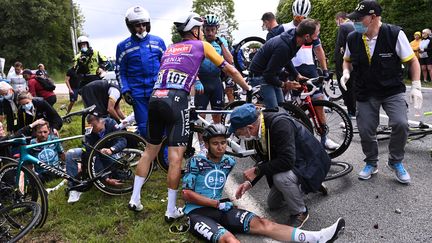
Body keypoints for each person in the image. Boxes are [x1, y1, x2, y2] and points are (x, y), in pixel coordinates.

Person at [127, 12, 251, 224]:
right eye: (200, 30)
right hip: (176, 99)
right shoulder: (202, 45)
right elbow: (228, 68)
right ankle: (170, 209)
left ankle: (135, 198)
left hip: (156, 98)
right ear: (195, 31)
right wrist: (247, 87)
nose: (202, 32)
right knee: (176, 158)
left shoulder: (170, 48)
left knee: (149, 151)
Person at [182, 123, 345, 242]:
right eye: (215, 143)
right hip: (197, 212)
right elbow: (187, 194)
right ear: (206, 144)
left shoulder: (228, 162)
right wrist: (216, 204)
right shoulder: (196, 161)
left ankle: (317, 237)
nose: (220, 147)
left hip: (221, 208)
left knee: (264, 224)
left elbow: (261, 167)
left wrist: (228, 199)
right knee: (229, 240)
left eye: (223, 143)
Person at [342, 0, 422, 183]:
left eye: (359, 19)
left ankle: (395, 161)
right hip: (365, 90)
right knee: (365, 129)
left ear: (373, 17)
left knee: (401, 124)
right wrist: (346, 72)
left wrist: (416, 85)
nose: (355, 22)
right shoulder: (353, 38)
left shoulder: (394, 34)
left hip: (391, 90)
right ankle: (371, 162)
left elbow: (413, 61)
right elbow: (347, 59)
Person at [229, 103, 331, 227]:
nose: (239, 136)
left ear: (250, 127)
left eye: (239, 132)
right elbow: (268, 159)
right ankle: (308, 185)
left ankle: (300, 211)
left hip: (312, 163)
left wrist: (256, 170)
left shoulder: (280, 125)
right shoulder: (260, 127)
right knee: (273, 204)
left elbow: (286, 161)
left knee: (281, 178)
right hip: (297, 162)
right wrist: (250, 183)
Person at [283, 0, 339, 150]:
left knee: (318, 101)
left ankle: (324, 137)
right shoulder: (284, 28)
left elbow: (318, 50)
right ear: (293, 14)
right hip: (292, 69)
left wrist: (325, 69)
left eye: (303, 16)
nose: (300, 19)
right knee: (297, 107)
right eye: (297, 16)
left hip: (309, 68)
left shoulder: (311, 28)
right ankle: (298, 138)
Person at [116, 6, 166, 138]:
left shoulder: (158, 42)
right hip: (138, 94)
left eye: (144, 24)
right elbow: (120, 72)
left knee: (163, 126)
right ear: (130, 26)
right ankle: (151, 157)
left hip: (157, 91)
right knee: (144, 128)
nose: (142, 28)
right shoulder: (122, 47)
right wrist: (125, 90)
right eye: (138, 25)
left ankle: (164, 158)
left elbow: (166, 66)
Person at [247, 18, 319, 110]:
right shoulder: (284, 46)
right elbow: (268, 75)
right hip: (260, 77)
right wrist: (285, 85)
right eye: (316, 35)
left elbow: (286, 59)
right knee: (275, 111)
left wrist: (297, 75)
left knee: (282, 109)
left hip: (270, 75)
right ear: (307, 36)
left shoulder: (297, 39)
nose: (317, 37)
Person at [65, 113, 127, 203]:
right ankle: (74, 187)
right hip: (96, 154)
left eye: (94, 126)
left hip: (113, 153)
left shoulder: (111, 123)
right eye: (90, 126)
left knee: (118, 171)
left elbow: (122, 140)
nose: (93, 129)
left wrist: (112, 149)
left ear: (102, 121)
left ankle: (104, 175)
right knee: (71, 153)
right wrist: (105, 178)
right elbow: (91, 155)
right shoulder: (89, 130)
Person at [195, 14, 233, 153]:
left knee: (217, 115)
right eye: (207, 29)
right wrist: (197, 80)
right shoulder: (199, 43)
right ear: (203, 30)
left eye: (212, 29)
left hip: (216, 82)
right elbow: (193, 65)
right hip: (202, 83)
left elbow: (230, 61)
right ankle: (202, 148)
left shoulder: (222, 42)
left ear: (216, 29)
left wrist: (221, 43)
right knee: (200, 116)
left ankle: (217, 145)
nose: (210, 33)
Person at [334, 12, 356, 119]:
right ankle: (356, 108)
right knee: (354, 84)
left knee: (344, 84)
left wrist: (336, 60)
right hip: (356, 59)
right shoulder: (355, 25)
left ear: (340, 19)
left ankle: (351, 110)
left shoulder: (343, 27)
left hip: (344, 60)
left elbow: (340, 44)